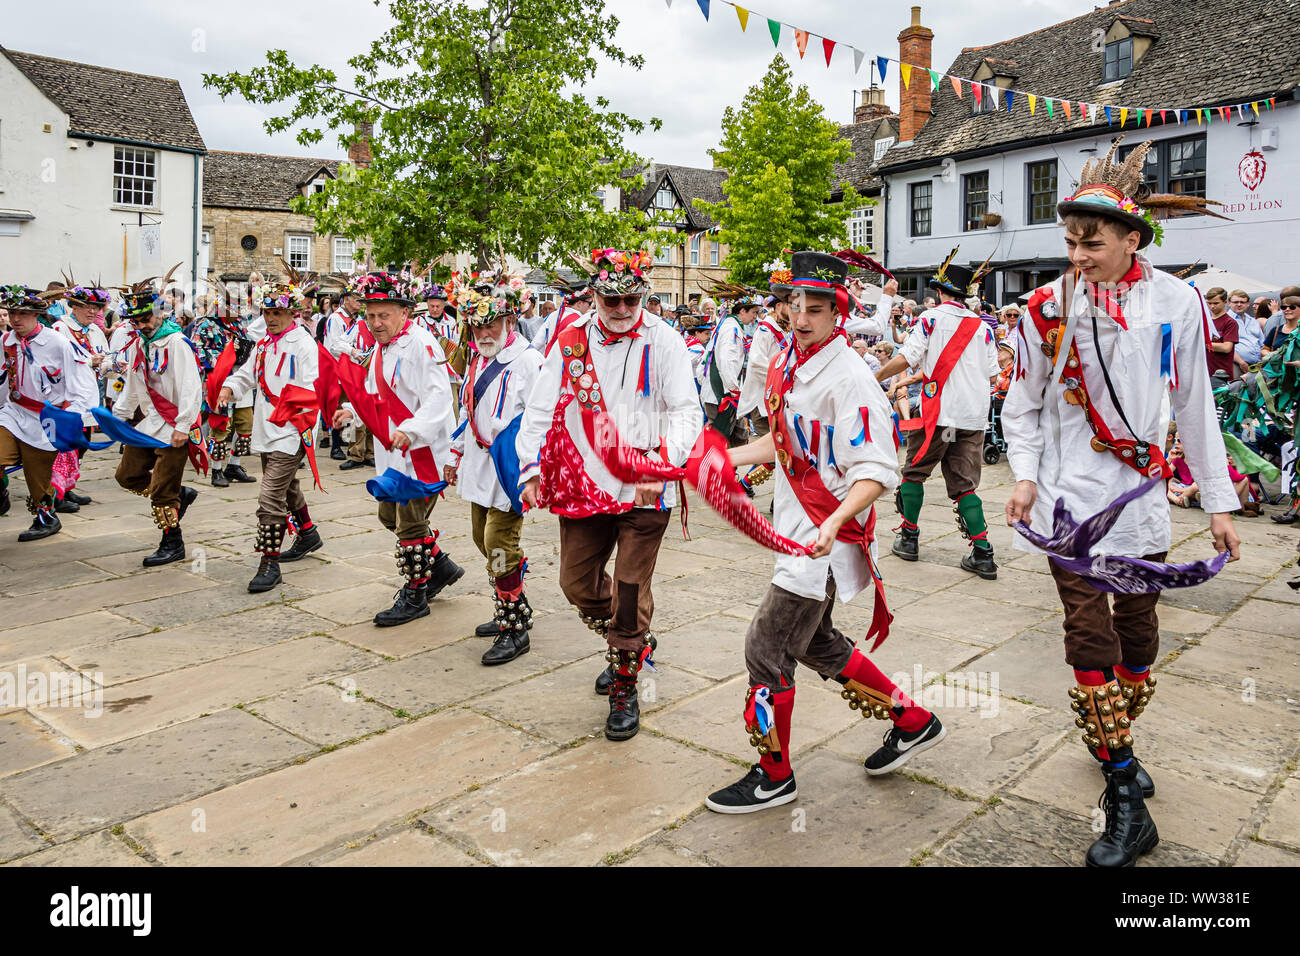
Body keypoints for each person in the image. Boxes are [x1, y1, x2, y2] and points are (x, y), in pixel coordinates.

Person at [1002, 136, 1241, 867]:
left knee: (1137, 637)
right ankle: (1123, 796)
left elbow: (1196, 404)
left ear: (1132, 238)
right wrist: (1024, 475)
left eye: (1093, 243)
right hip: (1068, 504)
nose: (1077, 255)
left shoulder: (1178, 301)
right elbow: (1022, 406)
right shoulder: (1044, 310)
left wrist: (1220, 502)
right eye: (1070, 241)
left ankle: (1117, 741)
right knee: (1087, 635)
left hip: (1140, 505)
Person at [705, 251, 944, 814]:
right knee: (814, 641)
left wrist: (835, 521)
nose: (804, 317)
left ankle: (774, 774)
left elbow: (879, 469)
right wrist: (726, 458)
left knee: (765, 648)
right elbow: (787, 443)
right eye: (796, 305)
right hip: (800, 527)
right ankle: (912, 720)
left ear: (839, 311)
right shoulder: (794, 359)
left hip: (821, 540)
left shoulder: (851, 379)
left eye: (818, 308)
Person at [517, 248, 701, 741]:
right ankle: (638, 638)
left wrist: (661, 463)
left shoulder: (664, 340)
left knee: (628, 590)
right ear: (594, 295)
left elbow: (687, 410)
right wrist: (529, 467)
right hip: (584, 480)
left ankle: (625, 681)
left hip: (646, 485)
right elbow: (538, 408)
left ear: (643, 294)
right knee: (576, 584)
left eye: (630, 299)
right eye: (611, 299)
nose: (621, 308)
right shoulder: (570, 340)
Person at [331, 272, 464, 626]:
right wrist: (353, 412)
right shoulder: (381, 348)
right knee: (389, 516)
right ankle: (441, 566)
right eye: (370, 316)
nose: (375, 323)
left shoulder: (422, 344)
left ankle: (416, 593)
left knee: (408, 524)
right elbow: (376, 394)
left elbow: (439, 399)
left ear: (404, 313)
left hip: (423, 453)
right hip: (395, 452)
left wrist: (413, 429)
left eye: (383, 315)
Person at [875, 247, 1001, 580]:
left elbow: (907, 359)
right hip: (973, 417)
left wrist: (873, 377)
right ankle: (983, 553)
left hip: (939, 415)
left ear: (940, 292)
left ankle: (910, 538)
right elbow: (993, 376)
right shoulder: (984, 327)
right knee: (965, 486)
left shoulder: (929, 318)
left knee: (914, 473)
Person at [445, 271, 544, 664]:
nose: (484, 332)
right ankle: (514, 603)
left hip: (509, 469)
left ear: (510, 321)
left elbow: (543, 419)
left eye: (491, 324)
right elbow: (467, 410)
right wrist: (455, 454)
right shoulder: (476, 359)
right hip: (478, 465)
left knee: (499, 545)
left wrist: (532, 470)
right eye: (477, 325)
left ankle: (514, 625)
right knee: (480, 539)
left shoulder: (528, 361)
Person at [219, 275, 325, 592]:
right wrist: (229, 387)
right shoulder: (264, 344)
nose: (271, 318)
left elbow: (311, 393)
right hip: (267, 428)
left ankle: (269, 562)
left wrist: (293, 424)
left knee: (269, 497)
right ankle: (308, 534)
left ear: (292, 312)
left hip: (292, 432)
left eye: (277, 312)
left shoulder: (305, 345)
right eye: (267, 312)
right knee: (287, 487)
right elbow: (249, 375)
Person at [111, 282, 205, 565]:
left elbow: (191, 387)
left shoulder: (177, 343)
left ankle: (172, 543)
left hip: (174, 425)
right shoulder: (138, 344)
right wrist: (118, 418)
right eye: (135, 320)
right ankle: (180, 495)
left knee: (163, 491)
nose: (141, 325)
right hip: (149, 423)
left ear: (160, 314)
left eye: (146, 318)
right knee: (126, 475)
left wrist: (184, 426)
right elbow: (131, 385)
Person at [0, 285, 98, 540]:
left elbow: (83, 383)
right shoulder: (5, 341)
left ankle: (46, 519)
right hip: (13, 411)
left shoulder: (59, 344)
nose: (16, 319)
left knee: (38, 474)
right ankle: (1, 497)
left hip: (47, 418)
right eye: (11, 313)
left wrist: (73, 416)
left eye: (22, 313)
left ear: (36, 314)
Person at [52, 282, 113, 509]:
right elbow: (56, 364)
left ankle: (67, 488)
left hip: (89, 396)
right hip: (67, 398)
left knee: (83, 443)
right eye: (87, 306)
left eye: (96, 307)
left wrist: (114, 365)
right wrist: (89, 361)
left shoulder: (96, 331)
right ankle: (55, 495)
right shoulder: (59, 329)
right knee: (64, 446)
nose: (93, 311)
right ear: (73, 306)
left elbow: (104, 359)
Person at [700, 294, 760, 446]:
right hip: (722, 394)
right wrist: (734, 391)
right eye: (753, 312)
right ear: (742, 312)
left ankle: (729, 468)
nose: (755, 317)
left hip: (723, 392)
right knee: (721, 440)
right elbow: (726, 362)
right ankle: (714, 469)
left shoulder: (729, 325)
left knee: (739, 436)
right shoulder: (731, 329)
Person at [325, 287, 371, 466]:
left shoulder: (359, 319)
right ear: (345, 299)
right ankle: (336, 446)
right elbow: (333, 346)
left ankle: (363, 451)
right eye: (356, 298)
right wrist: (352, 351)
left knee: (360, 410)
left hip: (358, 371)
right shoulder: (335, 318)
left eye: (361, 299)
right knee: (341, 409)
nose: (360, 302)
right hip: (340, 372)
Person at [1203, 287, 1238, 382]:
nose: (1212, 306)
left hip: (1222, 374)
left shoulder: (1230, 322)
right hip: (1205, 373)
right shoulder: (1205, 321)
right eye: (1209, 303)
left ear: (1225, 302)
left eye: (1215, 303)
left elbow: (1226, 348)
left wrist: (1203, 344)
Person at [1227, 288, 1265, 376]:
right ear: (1229, 303)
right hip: (1236, 364)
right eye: (1236, 302)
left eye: (1242, 302)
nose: (1239, 305)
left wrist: (1262, 362)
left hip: (1257, 366)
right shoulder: (1226, 320)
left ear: (1248, 304)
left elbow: (1262, 344)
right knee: (1237, 387)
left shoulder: (1253, 321)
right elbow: (1226, 346)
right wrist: (1241, 362)